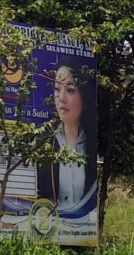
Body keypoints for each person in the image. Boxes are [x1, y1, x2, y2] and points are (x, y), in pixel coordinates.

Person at [37, 57, 97, 210]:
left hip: (82, 229)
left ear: (83, 95)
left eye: (70, 89)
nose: (61, 98)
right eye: (57, 89)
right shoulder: (44, 143)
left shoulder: (91, 143)